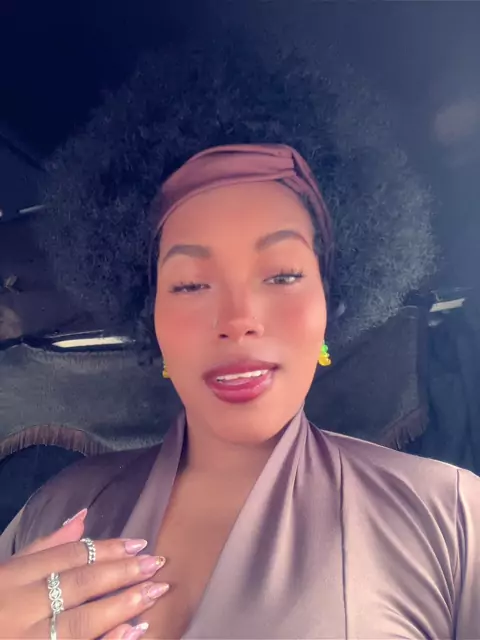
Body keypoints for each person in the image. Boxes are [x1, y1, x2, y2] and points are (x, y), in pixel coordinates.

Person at [1, 37, 479, 640]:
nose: (238, 318)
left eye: (282, 275)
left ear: (331, 301)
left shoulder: (450, 519)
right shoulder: (55, 512)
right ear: (151, 317)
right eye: (190, 284)